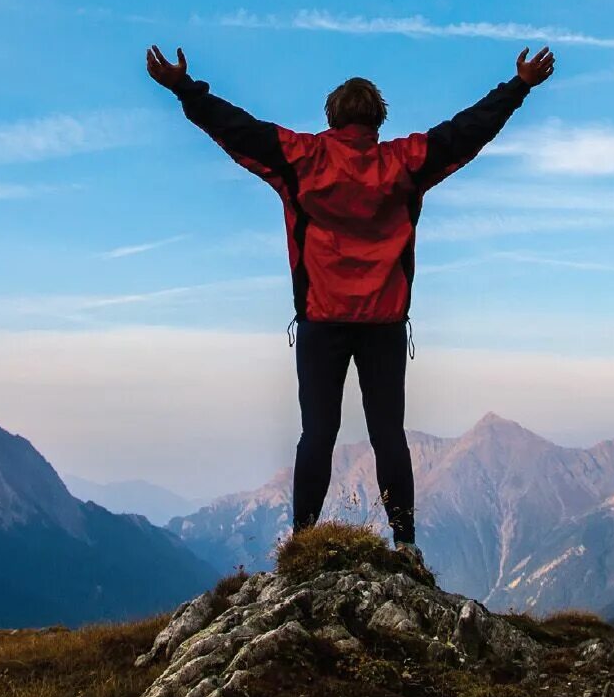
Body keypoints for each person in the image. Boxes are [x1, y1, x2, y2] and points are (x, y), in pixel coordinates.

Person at [146, 43, 556, 555]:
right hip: (384, 323)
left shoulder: (302, 159)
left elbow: (236, 127)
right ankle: (404, 543)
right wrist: (517, 87)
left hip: (321, 322)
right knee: (388, 435)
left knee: (316, 434)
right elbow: (467, 131)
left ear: (331, 117)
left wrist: (184, 88)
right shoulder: (405, 163)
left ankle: (303, 543)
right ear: (378, 120)